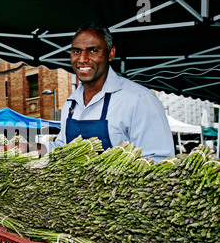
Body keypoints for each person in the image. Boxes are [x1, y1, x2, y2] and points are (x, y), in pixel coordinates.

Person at [9, 23, 175, 162]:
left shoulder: (140, 100)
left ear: (110, 54)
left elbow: (161, 161)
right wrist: (30, 148)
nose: (82, 59)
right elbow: (63, 149)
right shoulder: (71, 103)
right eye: (76, 51)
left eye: (93, 50)